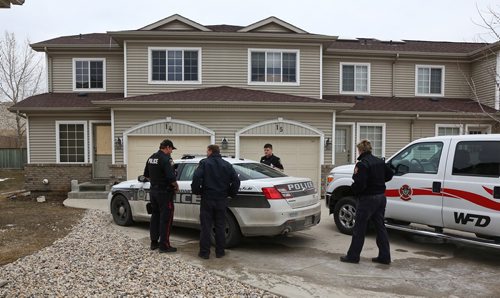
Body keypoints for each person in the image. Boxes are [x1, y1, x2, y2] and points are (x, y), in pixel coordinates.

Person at [340, 139, 394, 265]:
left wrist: (354, 191)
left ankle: (353, 256)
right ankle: (385, 257)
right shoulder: (380, 161)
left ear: (361, 150)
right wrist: (379, 182)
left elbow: (360, 183)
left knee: (359, 228)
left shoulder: (362, 164)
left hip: (367, 199)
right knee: (380, 227)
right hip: (381, 197)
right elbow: (390, 174)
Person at [191, 144, 240, 259]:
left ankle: (204, 253)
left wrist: (197, 191)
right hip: (221, 199)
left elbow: (197, 177)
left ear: (210, 151)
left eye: (207, 151)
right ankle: (220, 252)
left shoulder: (204, 163)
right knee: (220, 226)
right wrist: (230, 193)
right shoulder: (227, 165)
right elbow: (236, 181)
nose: (206, 153)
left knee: (206, 226)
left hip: (207, 198)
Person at [143, 139, 179, 253]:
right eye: (171, 149)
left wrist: (155, 182)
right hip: (165, 193)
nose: (171, 152)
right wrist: (176, 186)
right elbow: (171, 177)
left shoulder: (151, 158)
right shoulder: (166, 159)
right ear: (167, 147)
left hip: (153, 192)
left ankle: (154, 242)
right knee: (166, 219)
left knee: (155, 217)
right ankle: (164, 245)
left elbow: (146, 175)